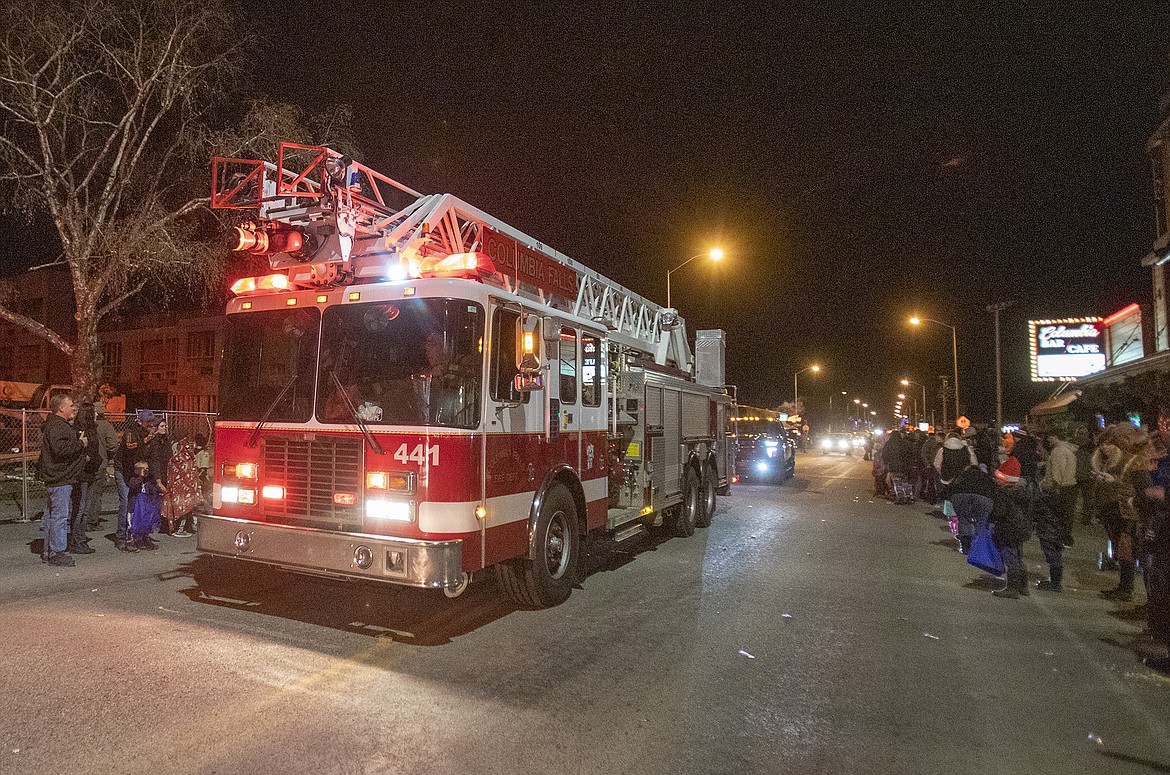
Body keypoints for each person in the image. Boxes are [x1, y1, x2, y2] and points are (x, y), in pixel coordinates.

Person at [36, 394, 88, 567]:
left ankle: (49, 551)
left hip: (57, 477)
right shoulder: (58, 426)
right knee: (59, 517)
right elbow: (61, 450)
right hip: (60, 478)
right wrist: (80, 444)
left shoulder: (56, 425)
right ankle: (57, 552)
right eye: (70, 405)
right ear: (61, 408)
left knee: (53, 517)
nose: (73, 408)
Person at [115, 410, 162, 553]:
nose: (151, 425)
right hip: (125, 470)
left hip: (141, 472)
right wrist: (145, 440)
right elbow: (131, 450)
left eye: (153, 422)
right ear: (140, 422)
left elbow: (154, 459)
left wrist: (158, 480)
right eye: (148, 422)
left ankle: (141, 535)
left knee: (143, 503)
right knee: (127, 503)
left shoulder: (153, 437)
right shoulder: (131, 433)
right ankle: (123, 537)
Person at [989, 456, 1033, 599]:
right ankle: (1023, 586)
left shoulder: (1003, 493)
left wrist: (990, 518)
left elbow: (999, 513)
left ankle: (1012, 588)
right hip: (1021, 528)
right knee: (1018, 557)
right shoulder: (1024, 492)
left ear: (1006, 479)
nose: (996, 480)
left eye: (999, 477)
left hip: (1008, 528)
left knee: (1011, 558)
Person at [1042, 431, 1079, 549]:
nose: (1049, 440)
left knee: (1059, 515)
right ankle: (1066, 539)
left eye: (1050, 437)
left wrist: (1055, 486)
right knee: (1068, 515)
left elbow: (1058, 470)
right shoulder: (1069, 450)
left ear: (1055, 437)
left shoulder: (1058, 451)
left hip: (1061, 487)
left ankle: (1062, 539)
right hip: (1070, 484)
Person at [950, 463, 994, 554]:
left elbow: (951, 487)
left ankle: (966, 547)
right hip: (983, 498)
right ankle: (979, 548)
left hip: (961, 496)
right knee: (981, 522)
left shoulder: (962, 475)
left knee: (964, 520)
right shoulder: (986, 477)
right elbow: (994, 490)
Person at [165, 434, 204, 537]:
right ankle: (179, 529)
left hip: (179, 488)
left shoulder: (174, 460)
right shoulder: (186, 459)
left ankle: (180, 527)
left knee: (182, 508)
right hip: (185, 488)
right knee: (184, 508)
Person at [128, 461, 162, 550]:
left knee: (146, 524)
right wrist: (140, 477)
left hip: (145, 507)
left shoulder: (148, 482)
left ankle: (145, 539)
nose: (145, 471)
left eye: (147, 469)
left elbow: (152, 492)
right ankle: (134, 541)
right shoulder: (134, 479)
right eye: (142, 469)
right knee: (134, 525)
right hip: (135, 507)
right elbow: (133, 486)